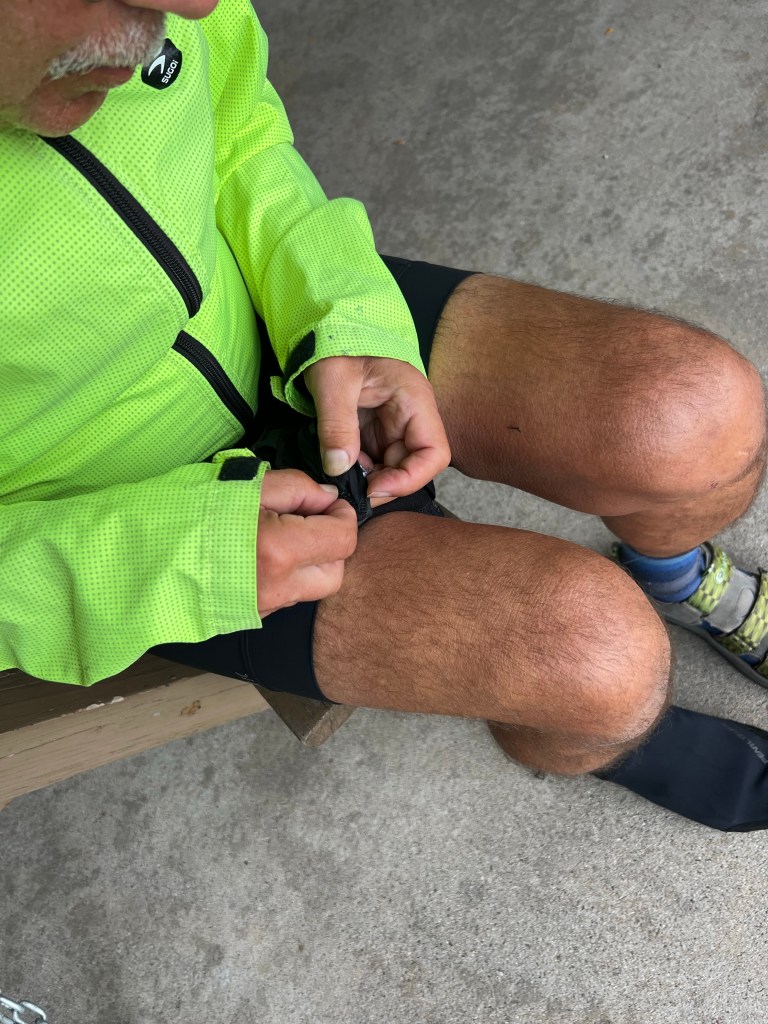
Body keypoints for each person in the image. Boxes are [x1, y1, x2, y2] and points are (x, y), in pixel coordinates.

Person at [2, 0, 766, 809]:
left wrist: (344, 314)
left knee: (695, 412)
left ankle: (674, 576)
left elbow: (237, 122)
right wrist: (176, 560)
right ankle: (603, 739)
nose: (192, 4)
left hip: (260, 297)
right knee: (599, 666)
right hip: (123, 513)